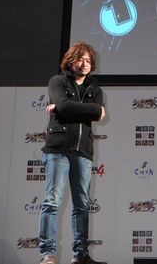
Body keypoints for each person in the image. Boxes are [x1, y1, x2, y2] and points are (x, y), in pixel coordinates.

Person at [38, 42, 106, 264]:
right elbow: (72, 107)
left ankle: (80, 256)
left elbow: (96, 113)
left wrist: (63, 108)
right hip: (58, 150)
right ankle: (47, 254)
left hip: (83, 152)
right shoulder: (57, 81)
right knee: (52, 202)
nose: (84, 64)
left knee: (82, 206)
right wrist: (77, 108)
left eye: (88, 60)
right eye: (80, 59)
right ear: (70, 61)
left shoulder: (95, 89)